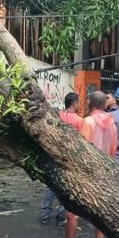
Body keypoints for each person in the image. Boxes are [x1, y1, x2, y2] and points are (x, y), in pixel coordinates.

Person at [52, 91, 117, 238]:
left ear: (90, 103)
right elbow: (113, 151)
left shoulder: (88, 121)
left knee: (72, 213)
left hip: (85, 174)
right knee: (100, 214)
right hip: (104, 173)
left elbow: (82, 150)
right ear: (104, 104)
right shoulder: (112, 123)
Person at [41, 92, 83, 224]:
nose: (80, 104)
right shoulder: (79, 120)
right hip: (69, 158)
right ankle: (61, 215)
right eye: (79, 102)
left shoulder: (57, 115)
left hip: (53, 154)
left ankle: (45, 214)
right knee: (65, 187)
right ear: (75, 104)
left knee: (51, 186)